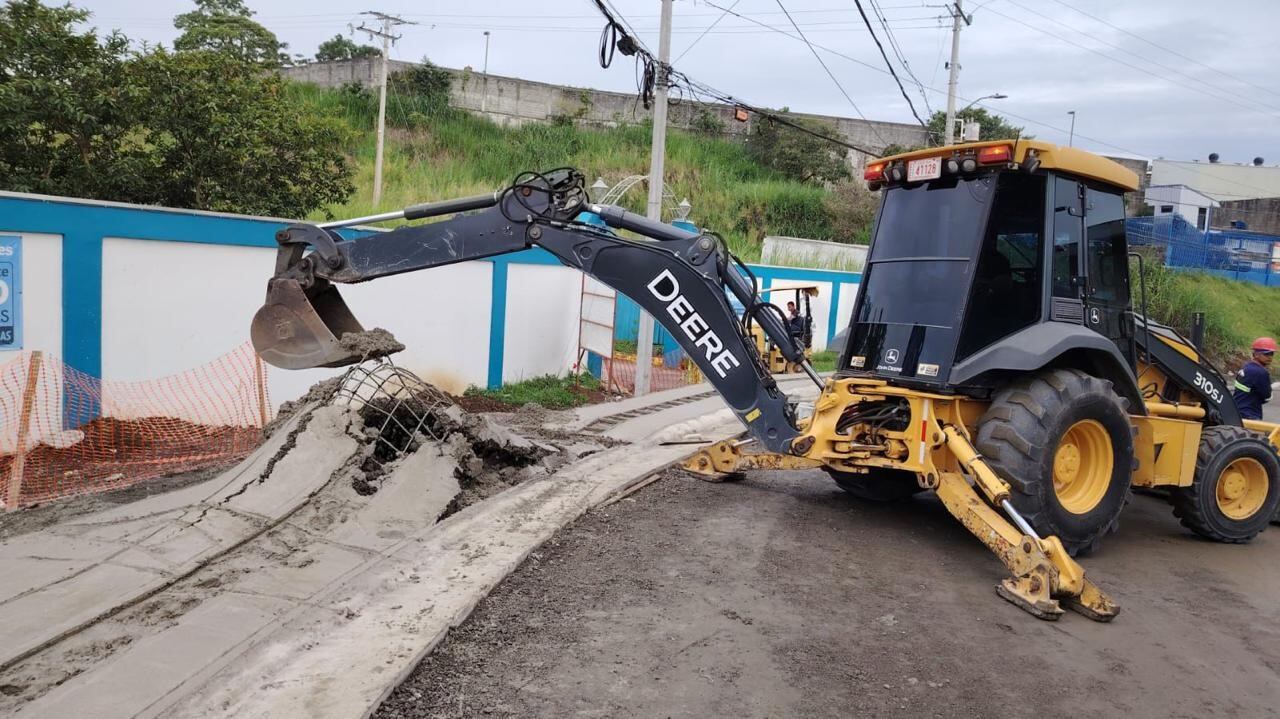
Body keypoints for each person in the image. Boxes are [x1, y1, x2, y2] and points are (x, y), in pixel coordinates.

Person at [1232, 337, 1276, 420]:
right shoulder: (1261, 372)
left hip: (1236, 411)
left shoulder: (1246, 367)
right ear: (1256, 354)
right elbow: (1267, 397)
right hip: (1250, 415)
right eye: (1266, 354)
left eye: (1271, 354)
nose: (1270, 357)